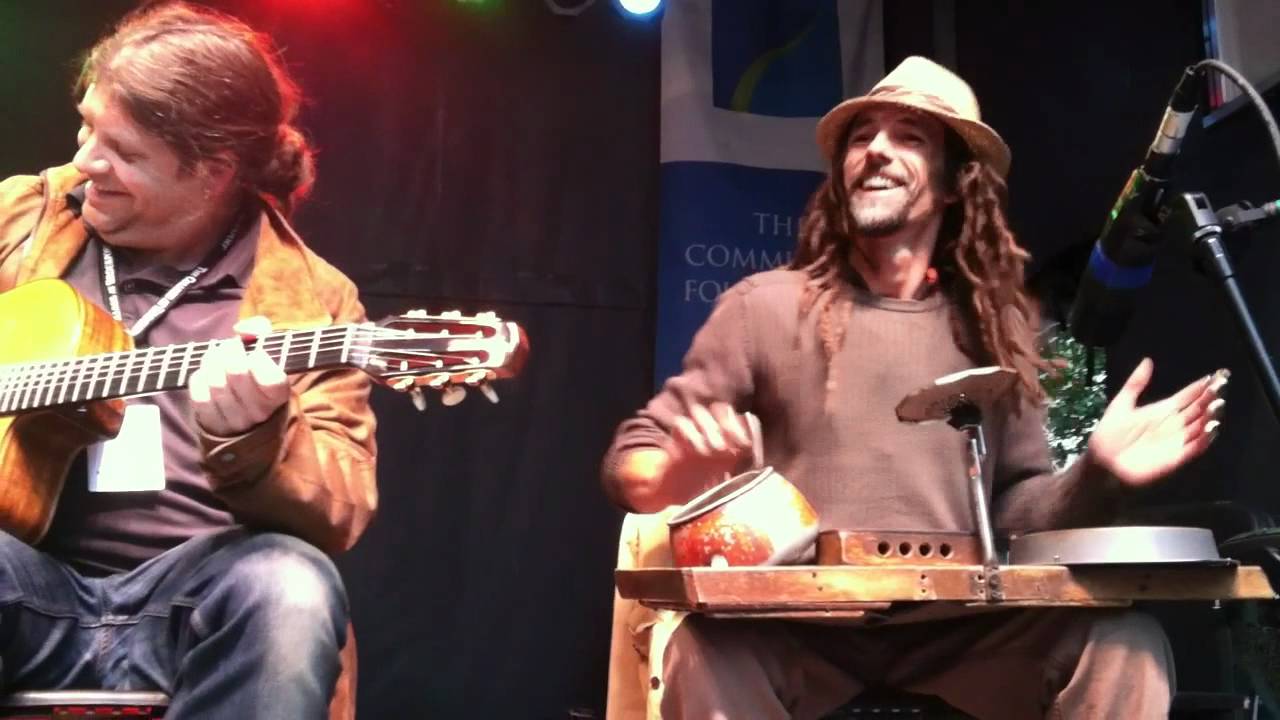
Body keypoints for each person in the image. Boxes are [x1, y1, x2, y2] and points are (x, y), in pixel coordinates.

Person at [602, 56, 1223, 719]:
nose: (876, 150)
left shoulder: (998, 324)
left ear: (956, 182)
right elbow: (631, 460)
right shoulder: (764, 307)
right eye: (861, 135)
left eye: (909, 136)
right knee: (703, 649)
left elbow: (1017, 506)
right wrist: (674, 472)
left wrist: (1099, 474)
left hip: (966, 634)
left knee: (1125, 641)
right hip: (800, 630)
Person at [0, 3, 375, 717]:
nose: (85, 161)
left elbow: (342, 510)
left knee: (291, 585)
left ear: (212, 172)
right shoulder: (19, 219)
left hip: (196, 608)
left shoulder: (314, 300)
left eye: (124, 151)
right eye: (87, 126)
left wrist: (258, 438)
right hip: (24, 583)